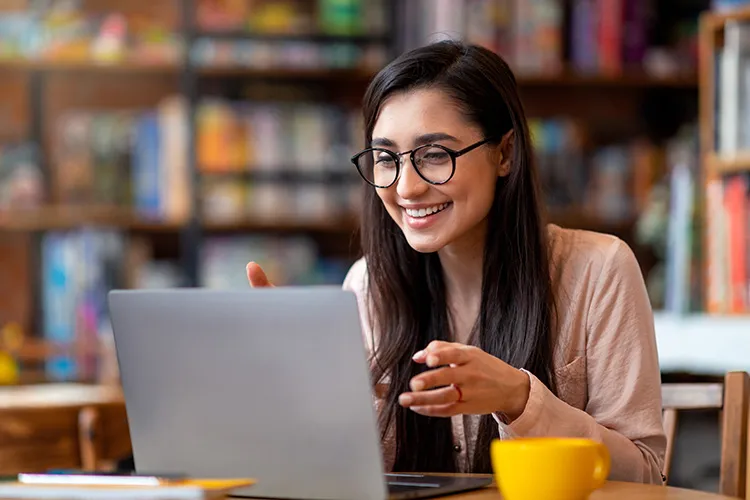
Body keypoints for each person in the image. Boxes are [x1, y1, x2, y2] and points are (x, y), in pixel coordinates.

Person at [246, 40, 666, 484]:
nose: (406, 188)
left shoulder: (598, 271)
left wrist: (520, 400)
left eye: (433, 155)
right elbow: (339, 477)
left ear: (504, 153)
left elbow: (645, 477)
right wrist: (302, 388)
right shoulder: (368, 285)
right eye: (386, 158)